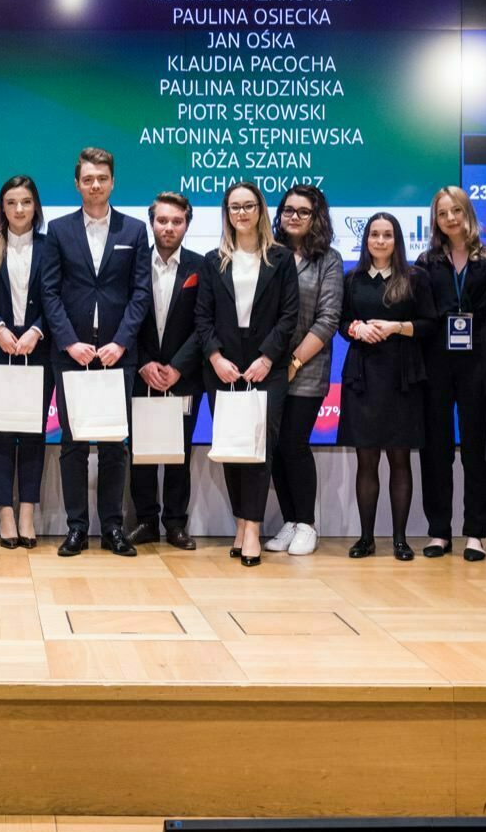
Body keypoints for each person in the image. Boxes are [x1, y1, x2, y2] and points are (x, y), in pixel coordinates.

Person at [39, 147, 151, 558]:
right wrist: (69, 341)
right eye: (88, 179)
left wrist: (120, 341)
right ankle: (76, 529)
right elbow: (49, 292)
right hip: (72, 354)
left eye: (102, 178)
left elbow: (141, 293)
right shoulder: (59, 229)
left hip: (118, 355)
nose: (95, 185)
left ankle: (113, 529)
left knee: (113, 445)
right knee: (73, 444)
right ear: (77, 183)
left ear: (112, 181)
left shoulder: (134, 230)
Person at [195, 181, 299, 567]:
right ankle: (240, 522)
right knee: (232, 447)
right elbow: (202, 318)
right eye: (235, 207)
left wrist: (269, 358)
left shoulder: (281, 259)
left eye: (249, 205)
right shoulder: (212, 260)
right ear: (227, 213)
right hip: (222, 367)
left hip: (265, 366)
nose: (242, 213)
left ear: (260, 210)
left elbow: (290, 317)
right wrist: (216, 358)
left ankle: (253, 528)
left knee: (258, 448)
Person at [341, 213, 437, 560]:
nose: (380, 241)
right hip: (363, 377)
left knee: (400, 461)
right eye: (374, 235)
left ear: (397, 240)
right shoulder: (351, 279)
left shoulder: (415, 278)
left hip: (402, 377)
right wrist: (355, 329)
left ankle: (400, 539)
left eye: (387, 235)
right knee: (366, 462)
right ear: (365, 240)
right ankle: (366, 539)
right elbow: (339, 321)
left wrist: (397, 327)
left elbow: (430, 324)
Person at [416, 187, 486, 562]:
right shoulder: (426, 261)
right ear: (436, 219)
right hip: (435, 361)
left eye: (457, 211)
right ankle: (438, 531)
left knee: (477, 449)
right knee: (436, 448)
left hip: (479, 359)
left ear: (468, 214)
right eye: (443, 212)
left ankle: (476, 532)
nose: (450, 218)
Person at [265, 184, 343, 557]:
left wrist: (294, 362)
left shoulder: (329, 259)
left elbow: (328, 320)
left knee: (294, 444)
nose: (293, 216)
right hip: (267, 368)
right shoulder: (269, 254)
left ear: (316, 217)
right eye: (288, 210)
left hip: (306, 370)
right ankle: (291, 521)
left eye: (303, 211)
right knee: (274, 448)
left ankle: (307, 523)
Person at [0, 176, 53, 550]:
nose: (19, 209)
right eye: (11, 202)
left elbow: (58, 299)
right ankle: (4, 512)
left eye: (26, 202)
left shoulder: (50, 246)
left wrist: (37, 331)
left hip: (39, 352)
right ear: (2, 208)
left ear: (35, 206)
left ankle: (27, 511)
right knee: (3, 433)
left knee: (34, 432)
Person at [128, 192, 204, 551]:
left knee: (179, 452)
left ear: (187, 224)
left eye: (176, 221)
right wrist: (143, 362)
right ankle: (145, 521)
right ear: (151, 222)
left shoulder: (201, 267)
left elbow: (205, 324)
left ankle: (175, 524)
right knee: (141, 450)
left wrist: (177, 367)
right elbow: (123, 318)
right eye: (162, 220)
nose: (169, 227)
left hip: (184, 374)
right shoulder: (133, 263)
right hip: (139, 371)